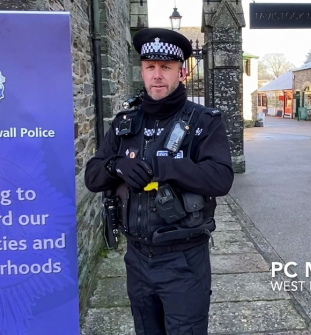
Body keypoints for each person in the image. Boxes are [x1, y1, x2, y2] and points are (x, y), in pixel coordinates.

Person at [84, 27, 234, 334]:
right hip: (137, 259)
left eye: (165, 68)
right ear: (142, 69)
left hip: (184, 260)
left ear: (182, 72)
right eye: (150, 67)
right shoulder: (126, 122)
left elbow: (221, 179)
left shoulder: (204, 122)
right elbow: (92, 176)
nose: (156, 75)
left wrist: (165, 166)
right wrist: (116, 167)